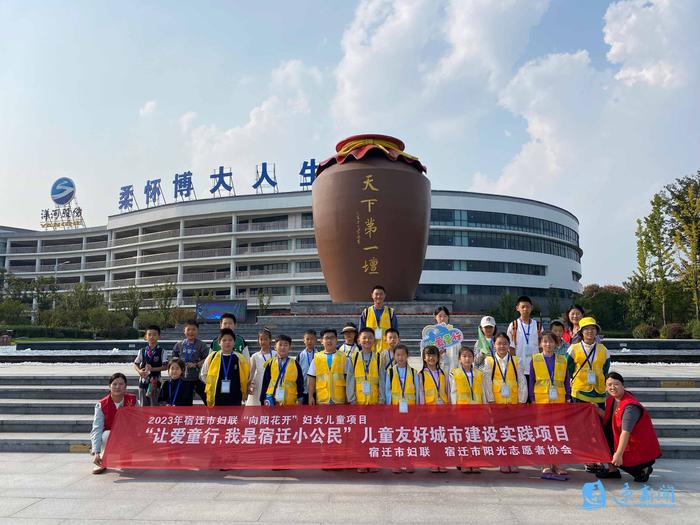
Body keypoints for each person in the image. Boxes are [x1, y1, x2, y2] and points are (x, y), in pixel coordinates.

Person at [594, 372, 661, 483]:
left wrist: (618, 454)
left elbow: (626, 432)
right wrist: (595, 409)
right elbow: (609, 418)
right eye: (609, 385)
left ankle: (643, 469)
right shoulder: (612, 399)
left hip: (637, 445)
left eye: (616, 384)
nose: (612, 387)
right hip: (622, 437)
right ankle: (613, 470)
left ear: (622, 385)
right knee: (601, 433)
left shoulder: (630, 407)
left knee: (632, 470)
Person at [483, 332, 527, 474]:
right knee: (500, 433)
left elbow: (521, 381)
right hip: (497, 402)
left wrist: (521, 400)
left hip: (513, 402)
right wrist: (491, 400)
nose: (502, 346)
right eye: (499, 343)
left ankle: (513, 460)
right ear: (494, 345)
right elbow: (487, 382)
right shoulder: (489, 361)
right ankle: (502, 461)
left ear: (509, 345)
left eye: (504, 343)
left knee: (513, 433)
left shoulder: (516, 361)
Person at [529, 331, 571, 480]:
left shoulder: (562, 359)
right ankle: (546, 463)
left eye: (551, 341)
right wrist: (532, 398)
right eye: (545, 342)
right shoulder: (535, 359)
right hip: (541, 401)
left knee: (558, 432)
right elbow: (532, 380)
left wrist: (567, 396)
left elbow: (566, 379)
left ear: (556, 343)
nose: (548, 344)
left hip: (559, 399)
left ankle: (558, 463)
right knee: (544, 433)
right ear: (540, 344)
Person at [346, 328, 383, 473]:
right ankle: (360, 461)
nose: (367, 340)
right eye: (364, 338)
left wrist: (381, 399)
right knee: (359, 434)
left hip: (373, 402)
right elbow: (349, 380)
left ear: (374, 340)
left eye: (370, 338)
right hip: (359, 403)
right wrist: (352, 399)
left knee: (373, 433)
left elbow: (382, 379)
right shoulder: (353, 358)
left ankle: (372, 461)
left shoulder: (378, 357)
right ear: (359, 340)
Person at [449, 345, 487, 473]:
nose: (467, 358)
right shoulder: (454, 373)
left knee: (476, 437)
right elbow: (453, 392)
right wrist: (453, 408)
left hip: (477, 410)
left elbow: (484, 392)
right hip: (462, 410)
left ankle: (475, 461)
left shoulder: (479, 373)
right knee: (463, 438)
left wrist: (486, 407)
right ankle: (464, 461)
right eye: (464, 356)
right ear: (459, 358)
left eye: (470, 356)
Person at [384, 343, 421, 474]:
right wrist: (388, 409)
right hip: (395, 410)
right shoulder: (390, 372)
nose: (400, 358)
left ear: (407, 356)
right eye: (398, 355)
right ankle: (396, 462)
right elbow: (388, 391)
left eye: (403, 355)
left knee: (409, 437)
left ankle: (409, 462)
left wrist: (417, 409)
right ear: (394, 356)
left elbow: (417, 391)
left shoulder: (413, 372)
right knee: (396, 437)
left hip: (410, 410)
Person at [90, 373, 137, 474]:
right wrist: (96, 452)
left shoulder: (133, 401)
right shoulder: (101, 405)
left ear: (126, 386)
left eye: (121, 384)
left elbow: (140, 420)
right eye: (114, 384)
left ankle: (126, 456)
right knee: (106, 434)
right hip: (111, 437)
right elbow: (97, 429)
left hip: (128, 437)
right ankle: (102, 459)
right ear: (109, 386)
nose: (117, 387)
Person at [566, 317, 610, 407]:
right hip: (579, 392)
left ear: (596, 331)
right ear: (581, 332)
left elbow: (605, 370)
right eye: (586, 329)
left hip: (599, 392)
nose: (590, 331)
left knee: (598, 420)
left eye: (593, 328)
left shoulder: (603, 349)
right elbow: (568, 369)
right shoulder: (573, 348)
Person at [200, 328, 250, 406]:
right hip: (216, 397)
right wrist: (211, 385)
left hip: (235, 397)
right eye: (224, 340)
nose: (227, 342)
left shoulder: (240, 358)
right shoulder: (212, 357)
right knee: (218, 418)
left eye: (230, 340)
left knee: (234, 418)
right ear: (219, 343)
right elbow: (203, 374)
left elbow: (246, 375)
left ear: (234, 342)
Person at [421, 345, 449, 473]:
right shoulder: (421, 374)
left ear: (438, 357)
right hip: (429, 409)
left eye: (434, 355)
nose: (431, 358)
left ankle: (442, 461)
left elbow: (446, 390)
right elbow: (420, 393)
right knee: (432, 437)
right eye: (428, 355)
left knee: (442, 437)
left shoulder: (442, 373)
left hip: (442, 408)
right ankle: (433, 462)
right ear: (424, 358)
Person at [170, 319, 210, 403]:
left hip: (198, 378)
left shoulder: (201, 345)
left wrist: (195, 364)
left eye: (193, 329)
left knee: (207, 399)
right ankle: (188, 416)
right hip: (184, 379)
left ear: (197, 331)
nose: (191, 332)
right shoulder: (179, 345)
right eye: (188, 329)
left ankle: (212, 415)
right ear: (184, 331)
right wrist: (180, 364)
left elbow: (207, 359)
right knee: (186, 402)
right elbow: (174, 359)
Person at [506, 296, 540, 391]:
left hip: (535, 366)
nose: (525, 309)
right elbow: (511, 348)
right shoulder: (513, 325)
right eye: (523, 307)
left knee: (534, 395)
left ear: (531, 308)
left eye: (528, 307)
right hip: (520, 367)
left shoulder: (538, 325)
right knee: (521, 396)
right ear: (517, 308)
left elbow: (541, 346)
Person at [259, 334, 304, 406]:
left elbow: (300, 382)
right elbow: (265, 383)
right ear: (275, 347)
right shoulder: (270, 363)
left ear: (290, 347)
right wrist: (262, 399)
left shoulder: (295, 364)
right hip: (272, 400)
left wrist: (300, 398)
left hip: (290, 401)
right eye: (280, 345)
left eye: (286, 345)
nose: (283, 347)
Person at [307, 328, 349, 405]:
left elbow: (348, 379)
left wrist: (348, 396)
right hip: (322, 399)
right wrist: (310, 396)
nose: (329, 341)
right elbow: (312, 378)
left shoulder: (344, 357)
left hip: (340, 399)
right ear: (321, 341)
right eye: (326, 338)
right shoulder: (317, 358)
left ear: (336, 340)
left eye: (332, 338)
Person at [133, 325, 167, 406]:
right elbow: (135, 364)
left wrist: (152, 369)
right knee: (143, 405)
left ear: (159, 337)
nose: (152, 337)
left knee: (154, 405)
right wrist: (139, 371)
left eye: (154, 334)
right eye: (149, 334)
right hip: (143, 382)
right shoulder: (142, 351)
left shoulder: (162, 351)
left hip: (154, 382)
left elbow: (166, 366)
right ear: (145, 337)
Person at [359, 285, 398, 353]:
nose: (379, 296)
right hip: (369, 348)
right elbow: (361, 332)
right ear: (372, 295)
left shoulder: (390, 312)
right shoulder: (366, 312)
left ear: (384, 295)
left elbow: (395, 331)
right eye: (376, 294)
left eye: (381, 294)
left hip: (387, 349)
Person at [246, 327, 277, 406]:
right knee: (257, 404)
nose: (263, 341)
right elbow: (251, 372)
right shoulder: (255, 356)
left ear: (270, 340)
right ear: (258, 341)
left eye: (266, 339)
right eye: (261, 339)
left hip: (272, 381)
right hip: (259, 383)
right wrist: (249, 385)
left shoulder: (275, 354)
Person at [297, 329, 318, 404]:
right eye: (307, 339)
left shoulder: (319, 355)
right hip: (303, 390)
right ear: (304, 340)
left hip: (317, 390)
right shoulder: (300, 355)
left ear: (316, 340)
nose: (309, 341)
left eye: (312, 339)